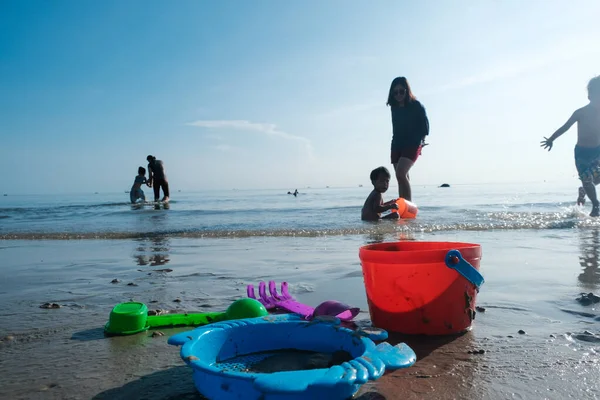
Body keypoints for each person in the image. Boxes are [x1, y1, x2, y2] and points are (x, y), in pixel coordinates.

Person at [541, 76, 600, 217]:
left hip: (598, 150)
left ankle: (584, 190)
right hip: (582, 152)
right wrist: (551, 139)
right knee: (587, 178)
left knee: (593, 180)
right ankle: (596, 204)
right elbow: (565, 127)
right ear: (589, 96)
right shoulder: (581, 112)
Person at [387, 76, 430, 201]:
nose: (398, 95)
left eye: (401, 91)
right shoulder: (394, 107)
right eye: (395, 92)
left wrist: (421, 142)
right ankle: (403, 207)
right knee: (401, 177)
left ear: (407, 91)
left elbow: (425, 127)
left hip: (413, 143)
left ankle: (408, 205)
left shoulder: (416, 105)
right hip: (396, 144)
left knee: (401, 173)